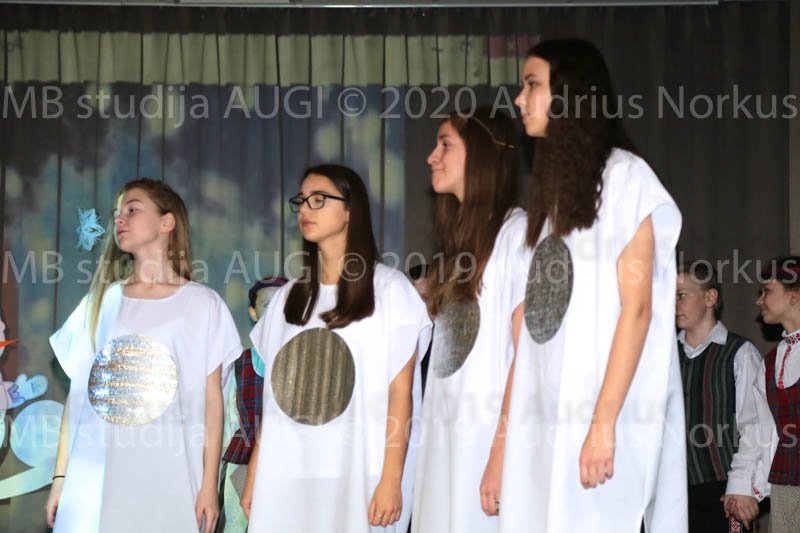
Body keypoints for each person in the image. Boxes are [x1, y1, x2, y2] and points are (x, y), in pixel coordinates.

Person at [490, 38, 686, 533]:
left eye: (532, 84)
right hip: (545, 429)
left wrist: (603, 424)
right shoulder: (551, 207)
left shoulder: (626, 178)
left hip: (599, 425)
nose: (519, 99)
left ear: (570, 94)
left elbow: (637, 309)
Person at [240, 164, 431, 533]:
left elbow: (400, 393)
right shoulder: (288, 298)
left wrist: (392, 480)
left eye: (319, 199)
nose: (305, 209)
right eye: (301, 201)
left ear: (349, 210)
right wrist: (255, 471)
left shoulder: (390, 290)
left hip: (358, 472)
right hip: (289, 470)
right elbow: (274, 399)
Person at [45, 178, 242, 533]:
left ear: (167, 222)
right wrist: (61, 477)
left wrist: (208, 485)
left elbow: (214, 405)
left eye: (133, 210)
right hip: (96, 478)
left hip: (171, 475)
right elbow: (78, 400)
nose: (120, 219)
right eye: (116, 214)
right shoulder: (101, 302)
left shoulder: (203, 304)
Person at [411, 107, 528, 533]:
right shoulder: (457, 254)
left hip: (486, 450)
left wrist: (500, 455)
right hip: (445, 450)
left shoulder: (520, 236)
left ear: (479, 154)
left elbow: (528, 358)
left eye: (445, 145)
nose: (432, 156)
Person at [676, 261, 764, 532]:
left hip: (724, 489)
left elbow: (755, 425)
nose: (674, 304)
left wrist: (742, 485)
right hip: (672, 490)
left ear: (710, 297)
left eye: (681, 295)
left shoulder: (739, 353)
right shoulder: (663, 356)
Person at [734, 258, 800, 533]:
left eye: (767, 291)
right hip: (785, 484)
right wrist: (742, 486)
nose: (759, 300)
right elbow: (758, 430)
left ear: (794, 296)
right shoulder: (771, 361)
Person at [217, 277, 287, 532]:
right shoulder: (239, 363)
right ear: (253, 312)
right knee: (238, 524)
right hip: (243, 462)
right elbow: (227, 424)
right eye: (267, 305)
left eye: (282, 304)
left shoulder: (303, 361)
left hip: (288, 462)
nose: (275, 312)